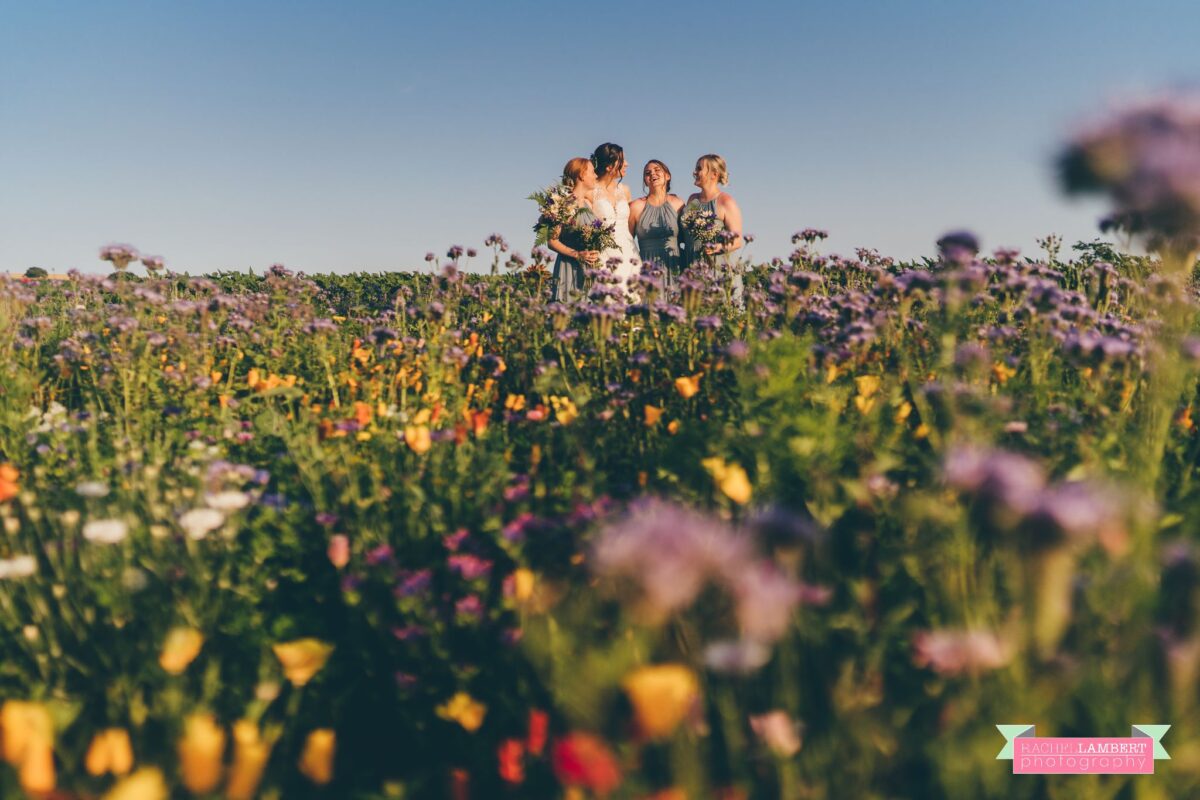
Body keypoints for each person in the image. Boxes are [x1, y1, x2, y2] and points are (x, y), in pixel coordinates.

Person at [682, 153, 744, 299]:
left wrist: (719, 248)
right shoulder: (693, 199)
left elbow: (737, 240)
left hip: (718, 267)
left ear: (713, 174)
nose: (694, 172)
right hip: (694, 266)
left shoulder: (725, 201)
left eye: (699, 169)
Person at [589, 143, 641, 291]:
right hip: (603, 253)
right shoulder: (590, 190)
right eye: (622, 161)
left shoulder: (625, 190)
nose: (627, 164)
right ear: (609, 166)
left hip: (629, 252)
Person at [548, 157, 601, 301]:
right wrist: (577, 254)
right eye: (592, 172)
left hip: (589, 269)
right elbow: (552, 241)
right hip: (569, 267)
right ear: (582, 175)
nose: (596, 175)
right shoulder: (564, 203)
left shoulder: (588, 205)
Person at [628, 160, 684, 286]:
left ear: (667, 176)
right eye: (647, 173)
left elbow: (685, 238)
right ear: (645, 181)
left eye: (657, 170)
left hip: (674, 266)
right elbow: (627, 241)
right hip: (647, 269)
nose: (652, 174)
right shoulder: (636, 207)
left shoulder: (678, 204)